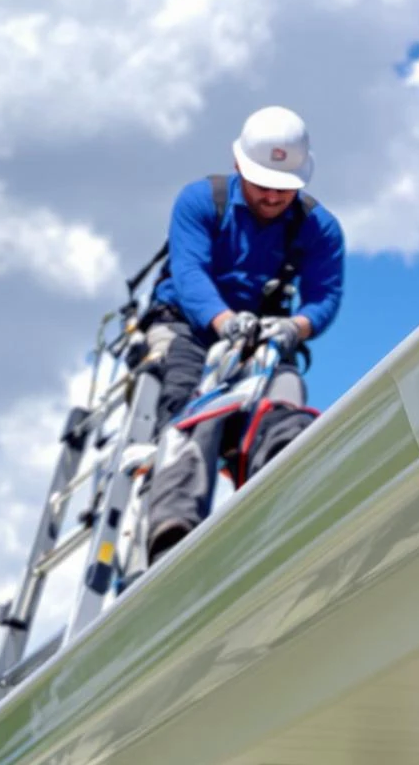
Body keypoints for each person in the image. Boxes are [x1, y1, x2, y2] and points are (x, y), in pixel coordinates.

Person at [143, 105, 346, 559]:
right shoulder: (200, 201)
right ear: (239, 167)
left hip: (266, 339)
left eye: (284, 189)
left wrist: (295, 328)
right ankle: (173, 530)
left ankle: (283, 501)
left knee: (284, 400)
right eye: (263, 185)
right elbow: (190, 272)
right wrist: (223, 322)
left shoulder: (319, 229)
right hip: (189, 326)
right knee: (194, 407)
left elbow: (324, 296)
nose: (274, 197)